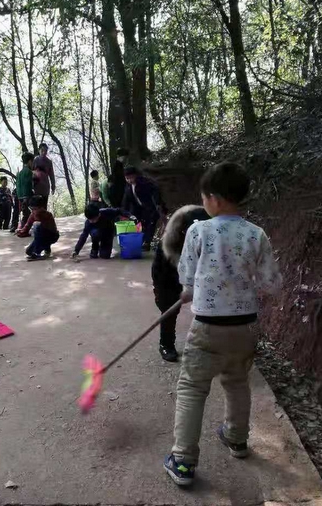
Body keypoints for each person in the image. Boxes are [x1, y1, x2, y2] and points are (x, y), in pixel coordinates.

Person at [164, 162, 282, 487]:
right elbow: (271, 283)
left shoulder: (199, 231)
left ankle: (183, 461)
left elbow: (186, 275)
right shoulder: (256, 234)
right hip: (244, 328)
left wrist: (190, 289)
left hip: (208, 327)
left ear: (214, 199)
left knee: (192, 387)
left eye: (204, 198)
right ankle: (237, 438)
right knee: (237, 381)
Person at [152, 205, 210, 363]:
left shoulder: (213, 237)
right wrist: (160, 292)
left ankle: (207, 346)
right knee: (168, 310)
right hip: (171, 277)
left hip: (204, 278)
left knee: (208, 312)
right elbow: (158, 271)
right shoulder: (169, 242)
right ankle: (166, 345)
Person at [123, 166, 166, 251]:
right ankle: (142, 240)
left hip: (150, 207)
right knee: (140, 224)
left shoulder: (144, 183)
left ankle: (147, 242)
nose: (129, 180)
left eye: (131, 177)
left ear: (135, 175)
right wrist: (124, 211)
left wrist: (158, 203)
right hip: (138, 208)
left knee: (150, 224)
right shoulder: (128, 187)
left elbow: (155, 191)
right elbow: (126, 200)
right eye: (127, 178)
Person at [16, 195, 59, 260]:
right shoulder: (33, 214)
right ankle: (45, 249)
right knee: (28, 252)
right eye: (32, 209)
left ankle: (39, 252)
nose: (33, 211)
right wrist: (20, 231)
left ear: (41, 208)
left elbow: (50, 230)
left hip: (51, 236)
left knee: (37, 225)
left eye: (35, 209)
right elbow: (27, 226)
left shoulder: (47, 215)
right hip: (40, 237)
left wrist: (36, 221)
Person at [12, 151, 34, 233]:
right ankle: (22, 229)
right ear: (30, 161)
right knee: (27, 214)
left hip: (20, 197)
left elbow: (18, 187)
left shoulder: (19, 173)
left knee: (26, 213)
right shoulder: (29, 172)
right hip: (26, 197)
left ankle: (22, 228)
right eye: (32, 162)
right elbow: (28, 185)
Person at [32, 143, 56, 208]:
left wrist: (53, 186)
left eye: (45, 150)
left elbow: (51, 175)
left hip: (45, 188)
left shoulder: (49, 162)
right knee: (36, 207)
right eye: (42, 150)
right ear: (39, 150)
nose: (44, 152)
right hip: (36, 187)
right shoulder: (35, 160)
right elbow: (31, 172)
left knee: (44, 207)